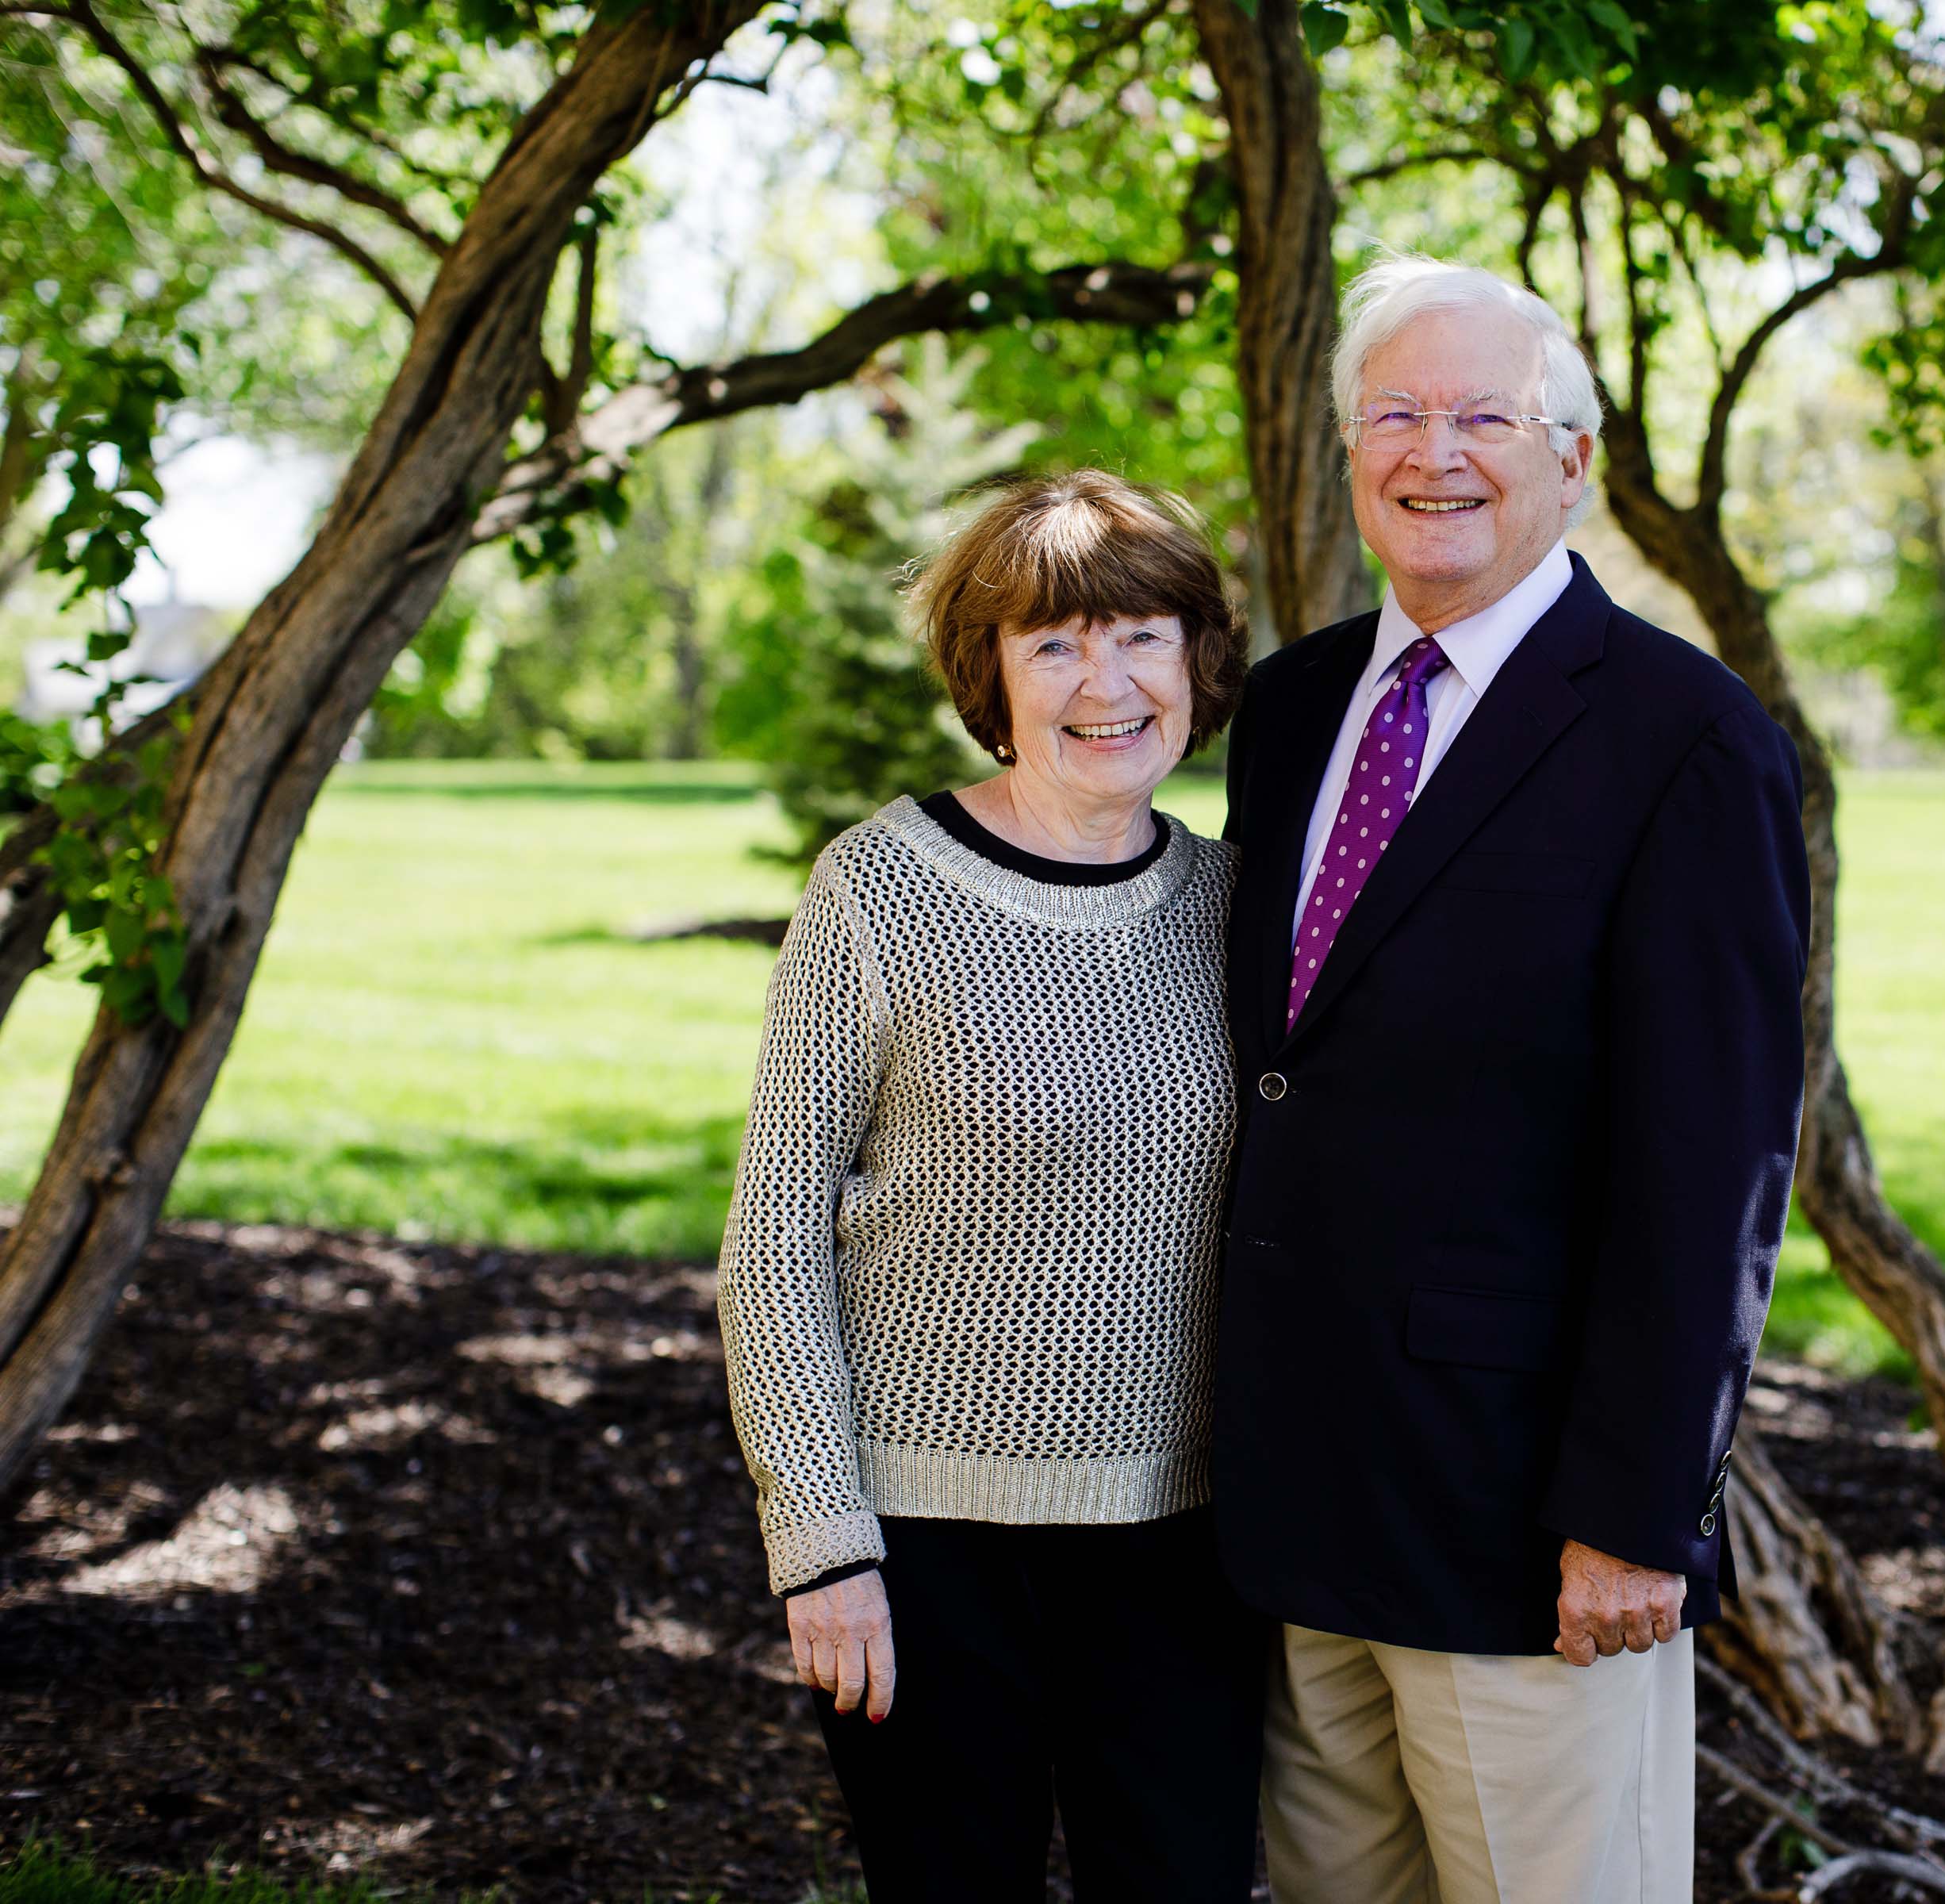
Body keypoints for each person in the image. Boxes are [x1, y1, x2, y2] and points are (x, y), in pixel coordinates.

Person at [1211, 255, 1811, 1902]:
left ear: (1575, 460)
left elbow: (1715, 1169)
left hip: (1527, 1533)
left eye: (1486, 413)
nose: (1437, 450)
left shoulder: (1687, 742)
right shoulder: (1291, 707)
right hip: (1302, 1498)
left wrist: (1637, 1510)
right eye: (1395, 413)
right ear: (1348, 452)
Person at [714, 469, 1263, 1902]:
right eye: (1056, 643)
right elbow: (774, 1239)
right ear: (991, 674)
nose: (1108, 681)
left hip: (1181, 1544)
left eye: (1143, 635)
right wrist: (821, 1543)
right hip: (925, 1549)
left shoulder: (1236, 906)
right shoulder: (880, 890)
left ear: (1197, 665)